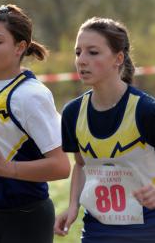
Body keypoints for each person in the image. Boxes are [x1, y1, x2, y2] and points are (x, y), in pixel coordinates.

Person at [0, 4, 70, 243]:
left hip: (24, 217)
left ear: (20, 47)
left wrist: (11, 169)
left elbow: (61, 166)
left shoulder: (31, 95)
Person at [54, 17, 155, 242]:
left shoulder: (146, 110)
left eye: (93, 52)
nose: (82, 60)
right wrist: (73, 206)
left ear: (118, 58)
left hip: (147, 230)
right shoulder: (72, 112)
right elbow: (80, 165)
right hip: (97, 230)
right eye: (78, 52)